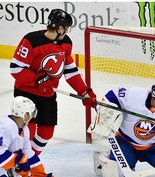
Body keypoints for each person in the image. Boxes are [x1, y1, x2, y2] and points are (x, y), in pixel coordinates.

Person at [10, 8, 97, 155]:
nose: (67, 32)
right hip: (26, 93)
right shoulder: (31, 40)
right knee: (28, 130)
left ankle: (28, 159)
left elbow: (70, 71)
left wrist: (84, 91)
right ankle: (17, 161)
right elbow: (16, 68)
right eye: (66, 28)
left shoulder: (66, 43)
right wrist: (37, 80)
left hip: (47, 94)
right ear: (60, 28)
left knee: (46, 133)